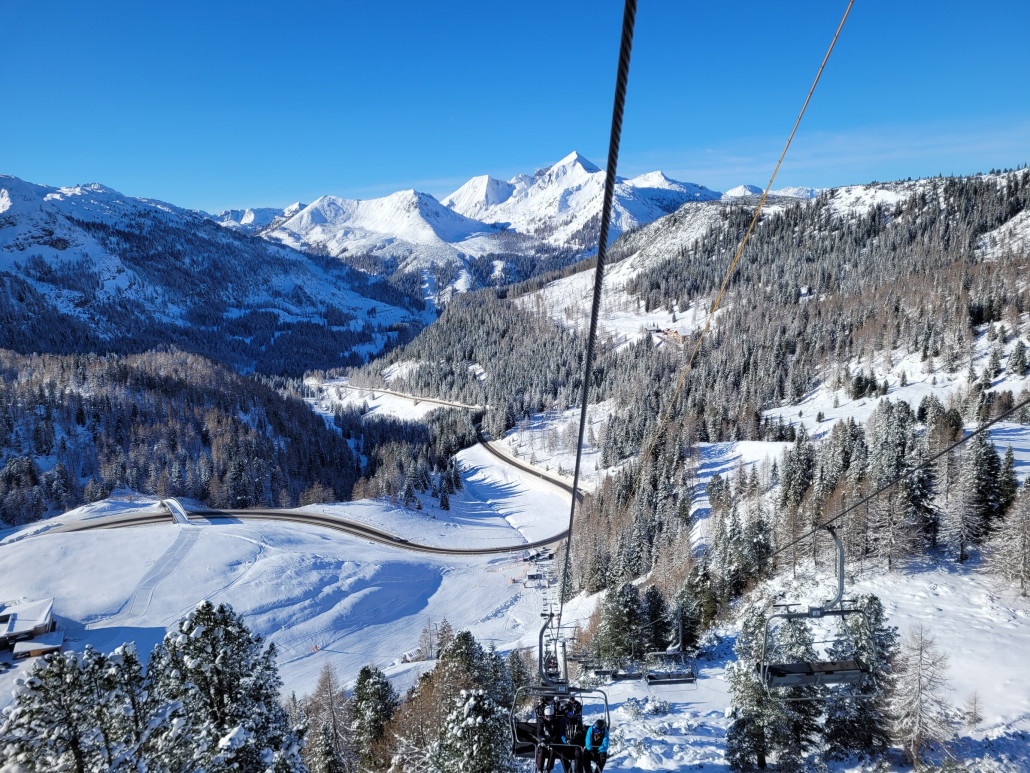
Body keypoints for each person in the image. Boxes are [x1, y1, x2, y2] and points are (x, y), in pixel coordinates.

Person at [535, 700, 561, 773]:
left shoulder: (555, 722)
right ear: (544, 715)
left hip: (551, 742)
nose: (549, 718)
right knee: (541, 750)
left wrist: (553, 740)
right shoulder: (541, 722)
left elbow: (557, 733)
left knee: (552, 751)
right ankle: (540, 769)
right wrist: (542, 740)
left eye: (550, 717)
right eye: (547, 716)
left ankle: (548, 769)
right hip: (544, 741)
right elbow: (539, 733)